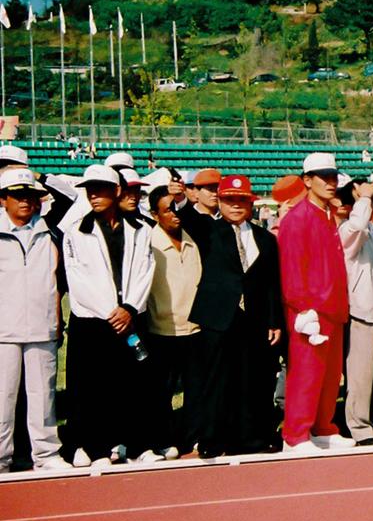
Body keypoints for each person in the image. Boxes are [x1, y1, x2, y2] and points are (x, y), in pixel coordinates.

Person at [179, 174, 284, 458]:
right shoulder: (207, 230)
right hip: (219, 317)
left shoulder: (265, 238)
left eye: (241, 200)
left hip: (255, 318)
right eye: (229, 200)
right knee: (216, 381)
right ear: (219, 201)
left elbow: (272, 283)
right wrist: (182, 197)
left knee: (254, 379)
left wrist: (274, 320)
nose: (236, 205)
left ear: (251, 203)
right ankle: (212, 439)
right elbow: (186, 219)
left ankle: (251, 437)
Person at [62, 165, 154, 467]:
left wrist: (129, 308)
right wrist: (111, 312)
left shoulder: (141, 230)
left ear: (116, 191)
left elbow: (145, 271)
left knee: (133, 385)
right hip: (92, 321)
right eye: (90, 189)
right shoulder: (75, 231)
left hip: (130, 317)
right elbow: (77, 279)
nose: (93, 195)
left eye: (100, 188)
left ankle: (135, 444)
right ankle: (95, 447)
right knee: (92, 387)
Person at [279, 154, 354, 452]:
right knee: (306, 373)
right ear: (307, 181)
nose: (331, 183)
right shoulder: (297, 218)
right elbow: (292, 267)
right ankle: (295, 435)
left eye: (333, 177)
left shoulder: (328, 214)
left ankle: (323, 427)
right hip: (310, 310)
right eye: (324, 177)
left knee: (330, 375)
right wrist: (302, 308)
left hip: (333, 307)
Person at [0, 169, 71, 472]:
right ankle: (1, 458)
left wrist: (40, 177)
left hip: (43, 326)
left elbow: (70, 197)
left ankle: (46, 454)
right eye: (17, 195)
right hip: (4, 330)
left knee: (43, 396)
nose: (25, 201)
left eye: (30, 195)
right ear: (3, 199)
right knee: (3, 398)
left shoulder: (50, 230)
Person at [145, 186, 204, 458]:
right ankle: (162, 439)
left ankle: (192, 437)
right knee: (161, 392)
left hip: (194, 329)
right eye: (167, 210)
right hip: (162, 330)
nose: (174, 215)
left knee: (196, 390)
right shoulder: (149, 243)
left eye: (176, 208)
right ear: (154, 214)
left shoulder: (192, 238)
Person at [336, 181, 373, 444]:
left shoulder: (372, 231)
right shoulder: (348, 229)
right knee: (361, 373)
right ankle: (359, 427)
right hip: (361, 308)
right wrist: (365, 197)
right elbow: (356, 225)